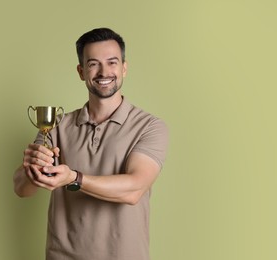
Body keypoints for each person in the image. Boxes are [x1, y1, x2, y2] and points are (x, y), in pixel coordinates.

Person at [13, 27, 168, 260]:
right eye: (93, 63)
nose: (104, 71)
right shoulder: (57, 125)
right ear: (81, 71)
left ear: (124, 68)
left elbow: (134, 189)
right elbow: (22, 189)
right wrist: (32, 169)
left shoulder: (149, 126)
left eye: (112, 62)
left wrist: (74, 178)